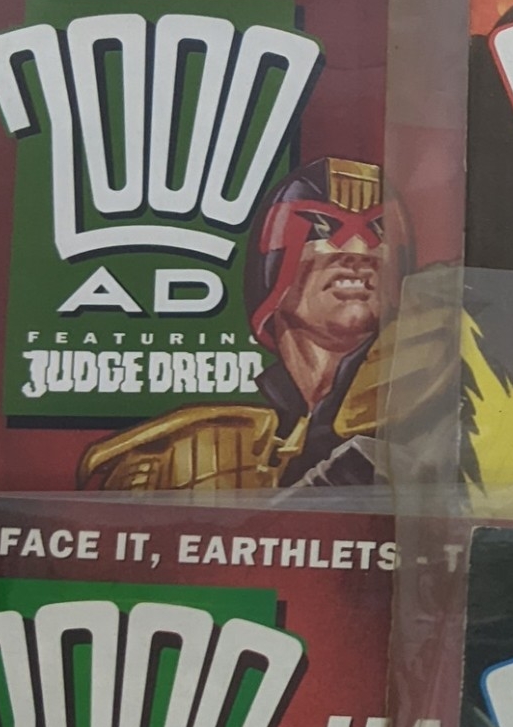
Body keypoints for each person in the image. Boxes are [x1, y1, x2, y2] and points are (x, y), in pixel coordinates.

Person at [79, 156, 426, 491]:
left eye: (379, 229)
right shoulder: (181, 454)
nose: (359, 249)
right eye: (322, 226)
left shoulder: (428, 404)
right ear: (273, 268)